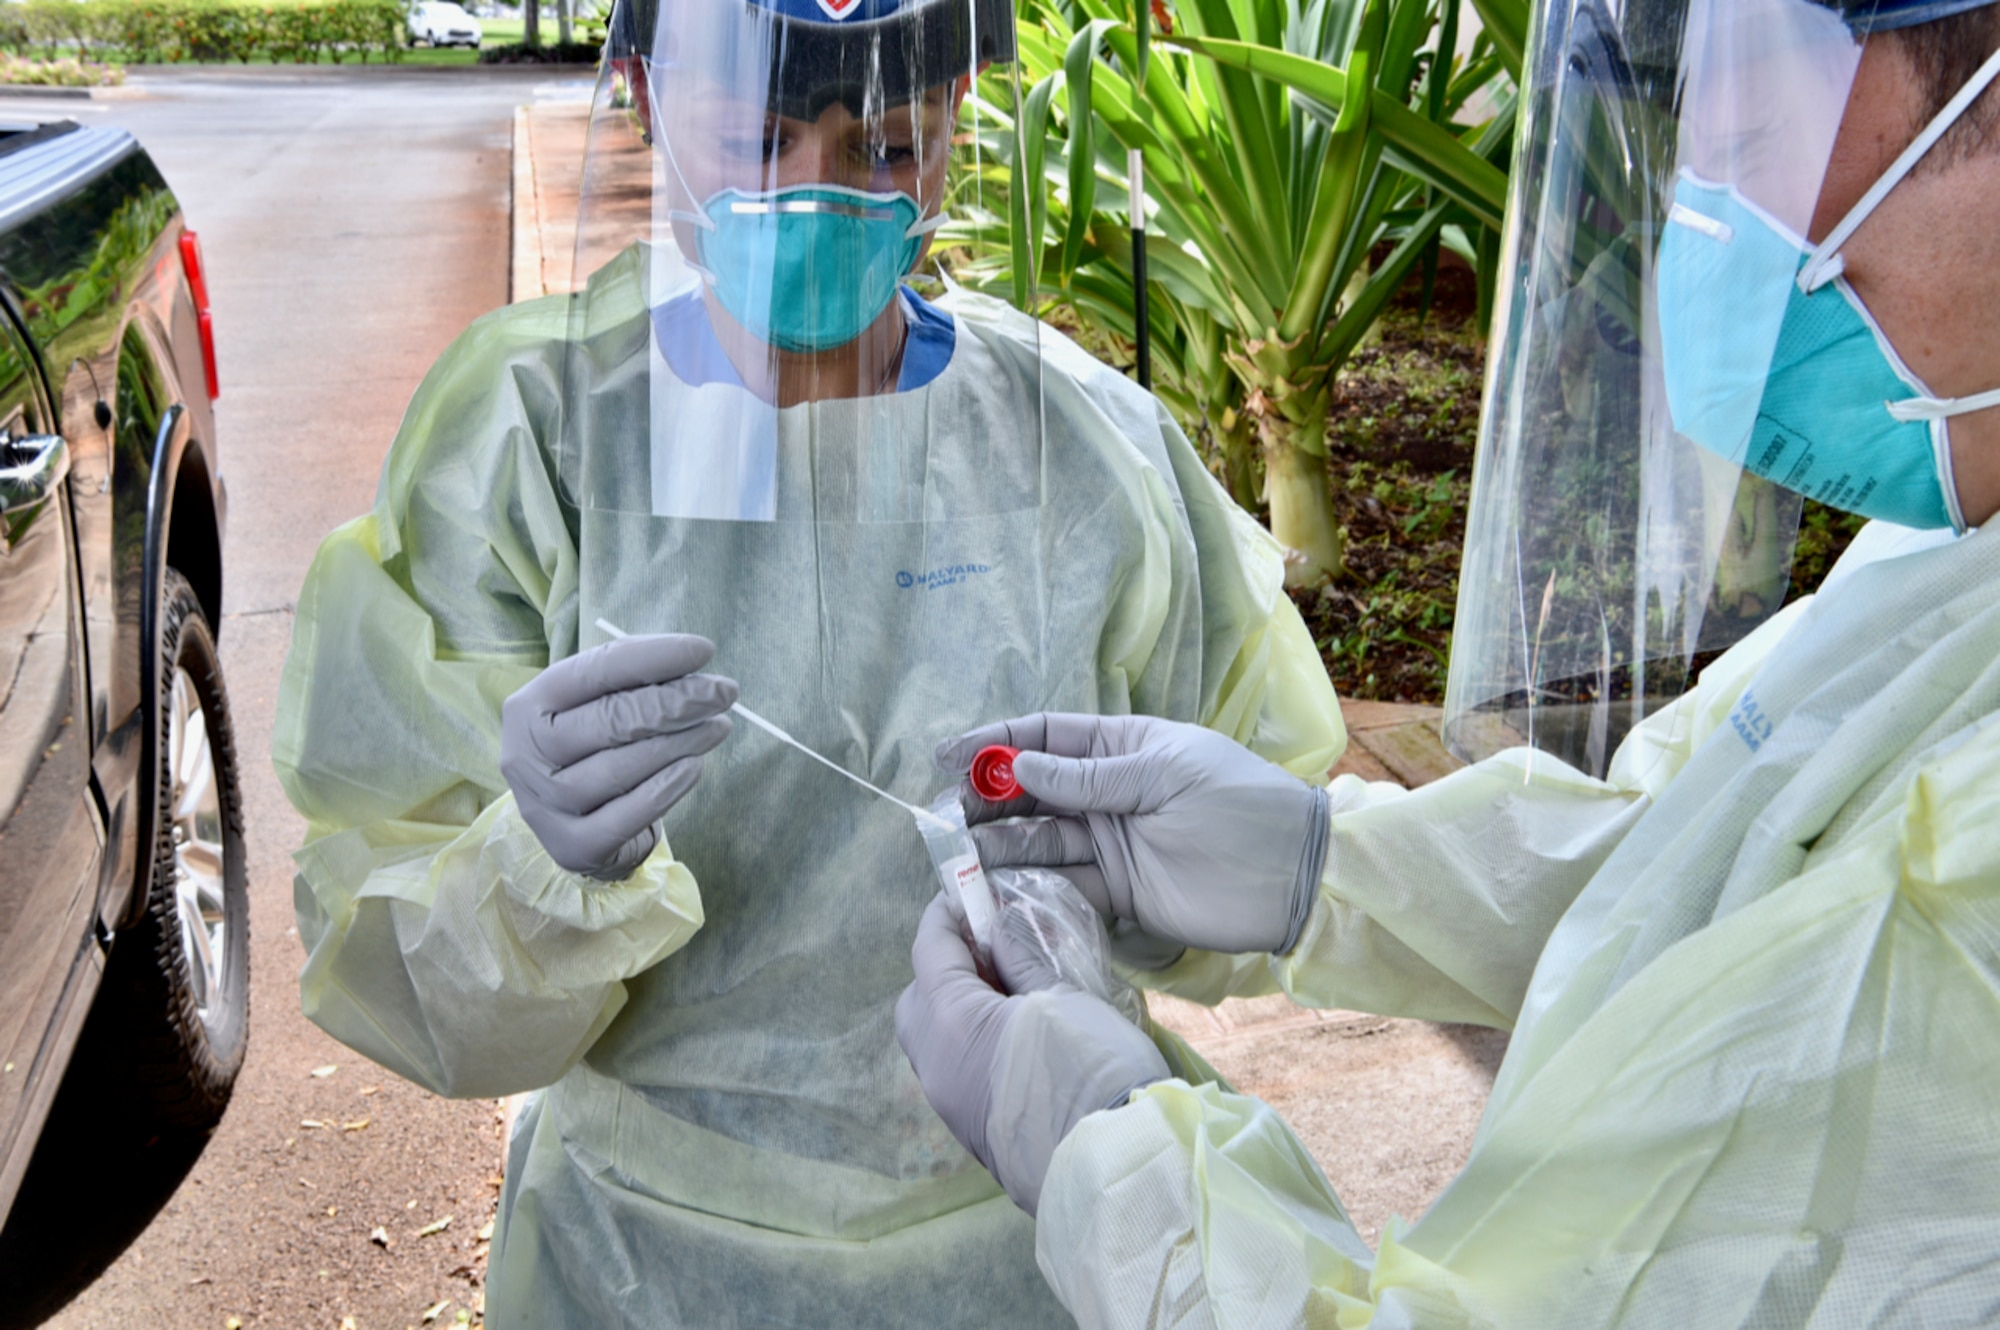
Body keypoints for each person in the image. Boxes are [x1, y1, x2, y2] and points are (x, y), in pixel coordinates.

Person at [897, 0, 2000, 1324]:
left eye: (1751, 125)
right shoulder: (1942, 561)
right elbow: (1709, 868)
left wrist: (1113, 1156)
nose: (1704, 219)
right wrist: (1327, 868)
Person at [271, 0, 1345, 1321]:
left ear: (956, 127)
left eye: (887, 147)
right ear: (651, 101)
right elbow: (390, 939)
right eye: (755, 137)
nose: (815, 194)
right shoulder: (537, 447)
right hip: (648, 1263)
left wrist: (1129, 892)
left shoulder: (1084, 452)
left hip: (1038, 1238)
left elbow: (1262, 844)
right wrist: (533, 869)